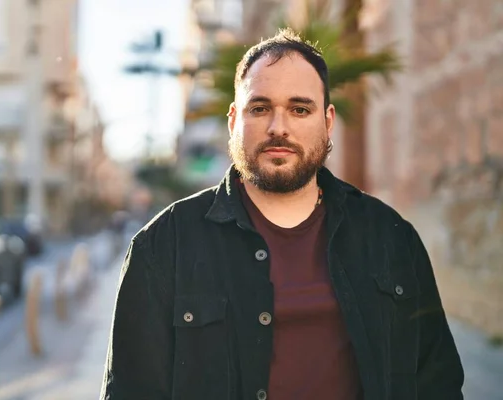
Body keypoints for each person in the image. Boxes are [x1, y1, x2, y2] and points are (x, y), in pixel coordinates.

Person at [100, 28, 464, 400]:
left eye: (300, 109)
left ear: (327, 122)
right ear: (232, 122)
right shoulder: (162, 247)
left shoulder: (391, 239)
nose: (279, 128)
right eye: (259, 108)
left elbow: (438, 385)